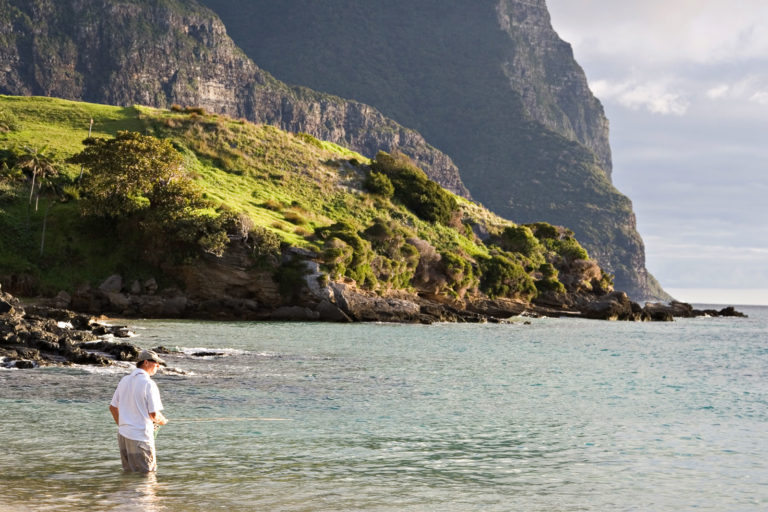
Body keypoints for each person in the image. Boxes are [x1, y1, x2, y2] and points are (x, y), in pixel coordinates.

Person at [109, 349, 169, 473]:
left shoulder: (124, 380)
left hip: (123, 436)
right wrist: (163, 421)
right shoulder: (149, 383)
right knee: (147, 476)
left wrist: (123, 425)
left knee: (129, 474)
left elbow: (113, 408)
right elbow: (154, 414)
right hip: (141, 438)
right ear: (146, 362)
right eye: (156, 363)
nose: (158, 366)